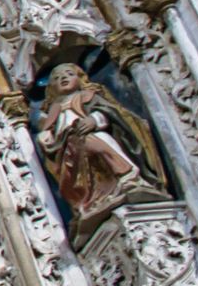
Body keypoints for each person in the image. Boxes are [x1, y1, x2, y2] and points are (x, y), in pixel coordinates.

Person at [35, 62, 166, 236]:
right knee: (74, 170)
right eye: (57, 78)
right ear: (51, 88)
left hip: (93, 135)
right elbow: (50, 133)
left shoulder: (88, 96)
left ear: (80, 78)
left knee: (99, 144)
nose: (63, 78)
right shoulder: (54, 110)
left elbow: (111, 112)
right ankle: (88, 201)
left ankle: (127, 177)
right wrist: (45, 138)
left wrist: (95, 120)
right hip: (70, 148)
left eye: (68, 74)